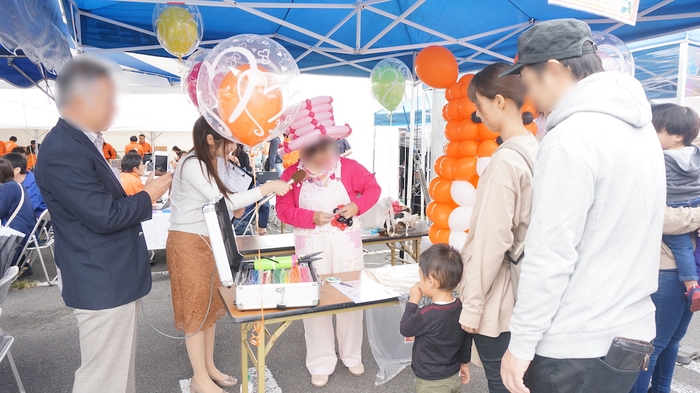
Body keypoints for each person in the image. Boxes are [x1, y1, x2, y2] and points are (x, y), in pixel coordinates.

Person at [499, 19, 665, 393]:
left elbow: (551, 253)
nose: (529, 99)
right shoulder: (641, 130)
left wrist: (521, 343)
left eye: (528, 83)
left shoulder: (571, 137)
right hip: (629, 332)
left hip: (577, 343)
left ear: (555, 69)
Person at [35, 56, 172, 393]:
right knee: (102, 379)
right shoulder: (64, 149)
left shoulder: (79, 143)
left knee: (116, 374)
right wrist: (148, 195)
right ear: (79, 101)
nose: (113, 109)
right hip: (101, 279)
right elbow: (104, 215)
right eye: (108, 100)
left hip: (109, 276)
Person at [167, 116, 291, 393]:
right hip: (188, 242)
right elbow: (224, 200)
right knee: (195, 312)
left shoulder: (212, 162)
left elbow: (220, 204)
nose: (234, 146)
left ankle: (208, 368)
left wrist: (232, 207)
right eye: (229, 140)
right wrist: (267, 188)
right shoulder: (192, 164)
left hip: (209, 240)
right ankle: (199, 378)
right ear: (211, 139)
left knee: (209, 308)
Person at [276, 99, 381, 387]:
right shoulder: (293, 176)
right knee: (314, 302)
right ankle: (320, 361)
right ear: (303, 151)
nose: (323, 157)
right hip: (310, 248)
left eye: (327, 149)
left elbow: (373, 188)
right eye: (315, 152)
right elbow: (282, 210)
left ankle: (351, 355)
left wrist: (356, 206)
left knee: (350, 298)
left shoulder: (349, 167)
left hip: (346, 247)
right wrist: (311, 216)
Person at [457, 63, 538, 393]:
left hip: (502, 299)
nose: (478, 114)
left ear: (501, 101)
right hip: (530, 292)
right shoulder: (537, 148)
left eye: (480, 105)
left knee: (502, 382)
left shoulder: (505, 161)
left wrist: (472, 306)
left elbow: (492, 241)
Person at [630, 107, 700, 393]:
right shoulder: (693, 160)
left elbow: (658, 217)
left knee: (654, 345)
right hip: (687, 273)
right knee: (667, 343)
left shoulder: (655, 163)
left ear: (677, 135)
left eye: (658, 129)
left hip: (665, 271)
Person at [400, 244, 472, 393]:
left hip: (430, 382)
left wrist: (413, 301)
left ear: (431, 281)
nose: (419, 282)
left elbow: (405, 328)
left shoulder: (427, 314)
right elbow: (466, 340)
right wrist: (465, 363)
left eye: (421, 277)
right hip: (453, 375)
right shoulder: (461, 308)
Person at [649, 103, 700, 311]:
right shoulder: (695, 155)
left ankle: (692, 285)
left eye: (657, 129)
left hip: (673, 205)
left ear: (677, 135)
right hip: (695, 202)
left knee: (680, 246)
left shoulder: (659, 158)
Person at [0, 157, 36, 269]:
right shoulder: (15, 185)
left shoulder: (8, 188)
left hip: (15, 235)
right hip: (25, 231)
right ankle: (22, 266)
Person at [229, 144, 270, 236]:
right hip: (242, 221)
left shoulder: (222, 179)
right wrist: (262, 226)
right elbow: (265, 205)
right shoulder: (249, 180)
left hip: (223, 221)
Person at [4, 152, 46, 217]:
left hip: (34, 219)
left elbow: (27, 208)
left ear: (17, 170)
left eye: (4, 169)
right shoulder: (8, 182)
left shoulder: (34, 183)